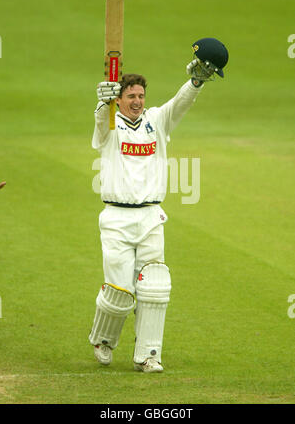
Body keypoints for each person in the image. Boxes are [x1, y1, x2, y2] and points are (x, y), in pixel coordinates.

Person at [89, 37, 228, 373]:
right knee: (120, 291)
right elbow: (99, 126)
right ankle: (104, 341)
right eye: (130, 96)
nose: (137, 101)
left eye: (140, 96)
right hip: (117, 218)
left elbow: (180, 104)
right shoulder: (110, 124)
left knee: (154, 285)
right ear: (119, 99)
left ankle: (149, 354)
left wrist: (196, 81)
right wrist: (101, 105)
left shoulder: (156, 120)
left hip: (151, 215)